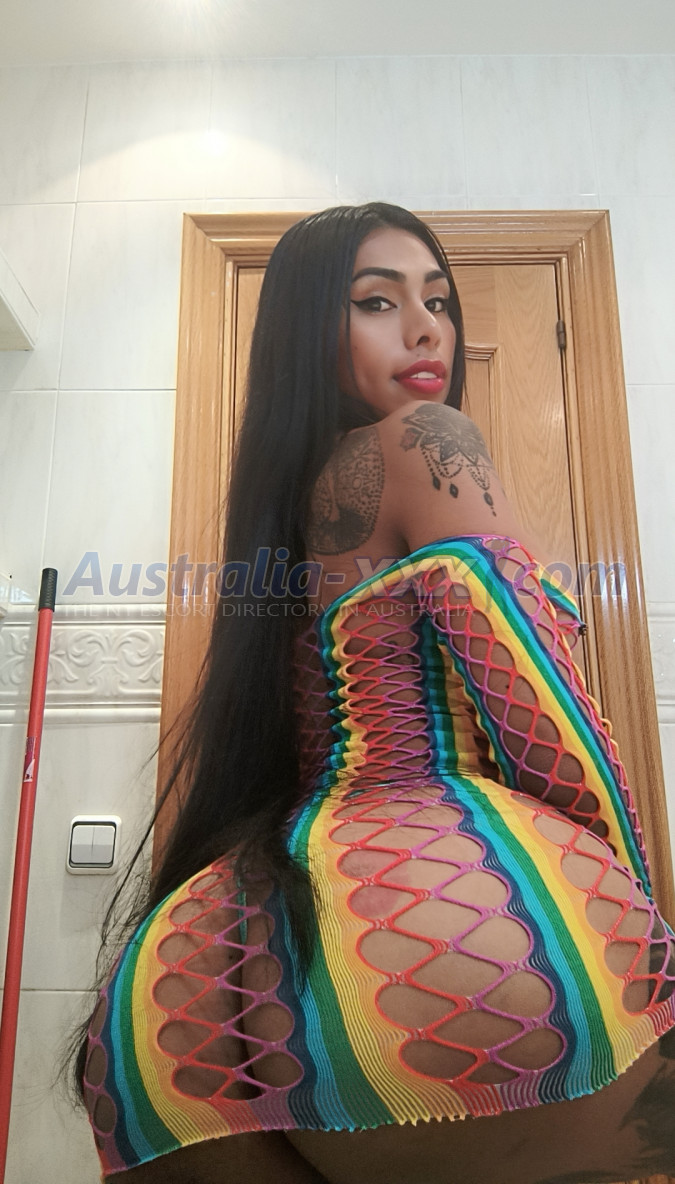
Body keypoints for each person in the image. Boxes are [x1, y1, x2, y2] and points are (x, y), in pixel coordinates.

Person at [75, 203, 675, 1184]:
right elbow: (537, 695)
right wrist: (638, 915)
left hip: (198, 986)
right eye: (377, 302)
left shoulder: (286, 508)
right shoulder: (428, 438)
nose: (427, 328)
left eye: (438, 300)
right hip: (451, 931)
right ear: (310, 327)